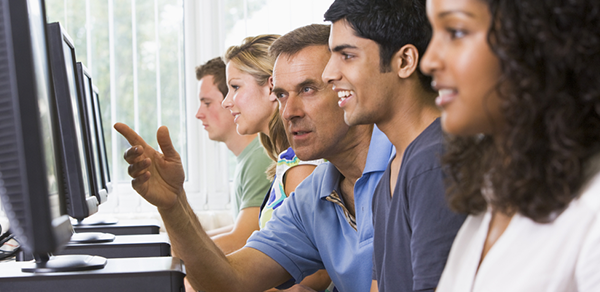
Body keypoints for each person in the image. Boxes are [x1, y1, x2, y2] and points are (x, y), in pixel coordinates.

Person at [114, 23, 393, 292]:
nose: (288, 112)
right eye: (282, 95)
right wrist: (174, 205)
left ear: (349, 89)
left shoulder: (407, 164)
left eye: (307, 89)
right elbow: (229, 281)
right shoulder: (312, 196)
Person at [420, 0, 600, 291]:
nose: (429, 61)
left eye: (455, 31)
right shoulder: (492, 199)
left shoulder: (592, 215)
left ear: (536, 38)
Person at [322, 1, 466, 291]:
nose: (328, 74)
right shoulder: (394, 170)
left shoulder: (433, 163)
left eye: (347, 56)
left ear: (404, 62)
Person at [218, 35, 324, 232]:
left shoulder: (302, 168)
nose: (226, 102)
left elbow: (306, 260)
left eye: (235, 87)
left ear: (270, 87)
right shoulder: (286, 162)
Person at [194, 57, 271, 255]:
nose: (199, 114)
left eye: (207, 103)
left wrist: (181, 254)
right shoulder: (249, 157)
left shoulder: (260, 158)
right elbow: (239, 228)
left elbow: (242, 239)